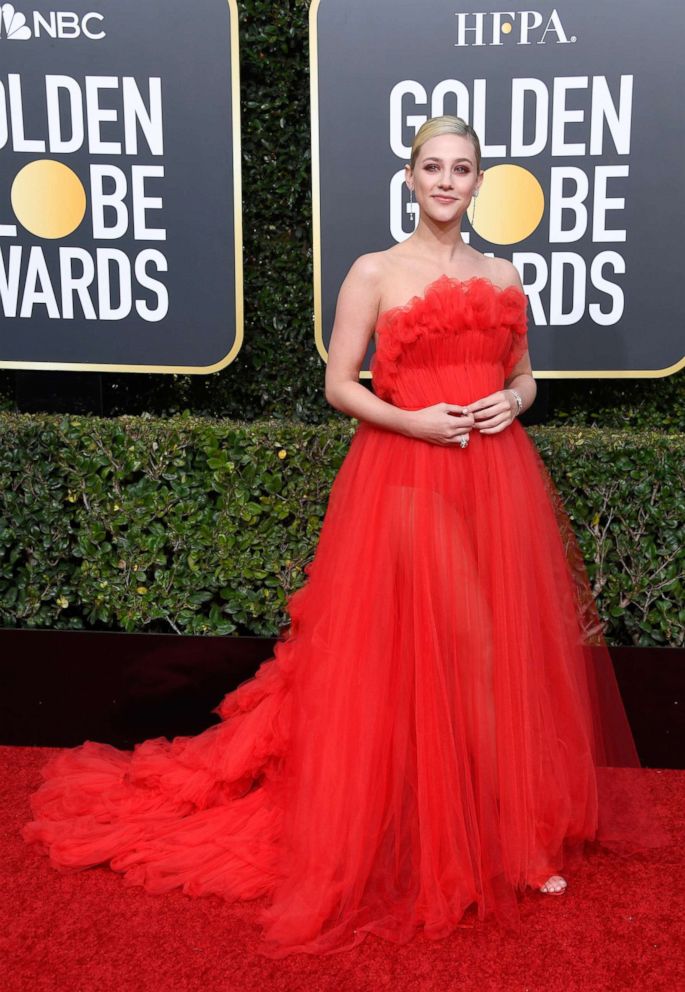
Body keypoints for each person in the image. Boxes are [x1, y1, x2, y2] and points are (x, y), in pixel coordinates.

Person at [22, 116, 668, 958]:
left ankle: (496, 832)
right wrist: (411, 420)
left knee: (499, 660)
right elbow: (337, 385)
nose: (446, 181)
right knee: (459, 652)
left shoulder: (505, 273)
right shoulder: (373, 271)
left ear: (480, 182)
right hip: (406, 476)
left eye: (461, 168)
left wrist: (514, 402)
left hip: (497, 480)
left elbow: (522, 373)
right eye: (431, 167)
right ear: (408, 178)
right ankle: (481, 842)